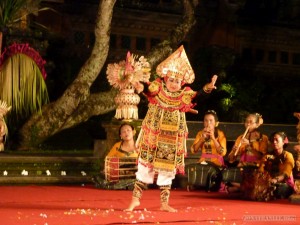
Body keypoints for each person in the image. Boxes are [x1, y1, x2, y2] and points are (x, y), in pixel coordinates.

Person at [125, 45, 217, 212]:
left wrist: (208, 87)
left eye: (177, 81)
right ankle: (135, 200)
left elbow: (198, 95)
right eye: (171, 80)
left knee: (167, 169)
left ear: (182, 82)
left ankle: (164, 203)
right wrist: (139, 84)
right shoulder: (157, 88)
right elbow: (147, 89)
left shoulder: (184, 95)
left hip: (171, 137)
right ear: (165, 78)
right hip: (153, 134)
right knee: (145, 165)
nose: (174, 84)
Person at [226, 113, 269, 193]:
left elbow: (261, 156)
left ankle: (239, 189)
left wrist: (249, 146)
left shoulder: (263, 138)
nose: (248, 124)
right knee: (230, 177)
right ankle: (246, 188)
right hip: (242, 168)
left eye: (251, 122)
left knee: (255, 182)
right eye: (246, 122)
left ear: (257, 125)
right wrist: (234, 151)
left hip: (256, 168)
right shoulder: (240, 138)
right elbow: (230, 159)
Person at [262, 131, 295, 199]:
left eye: (277, 140)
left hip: (285, 184)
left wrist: (276, 180)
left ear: (283, 142)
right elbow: (262, 170)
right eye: (273, 140)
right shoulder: (268, 156)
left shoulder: (288, 155)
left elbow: (286, 174)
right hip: (270, 183)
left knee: (280, 189)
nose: (274, 142)